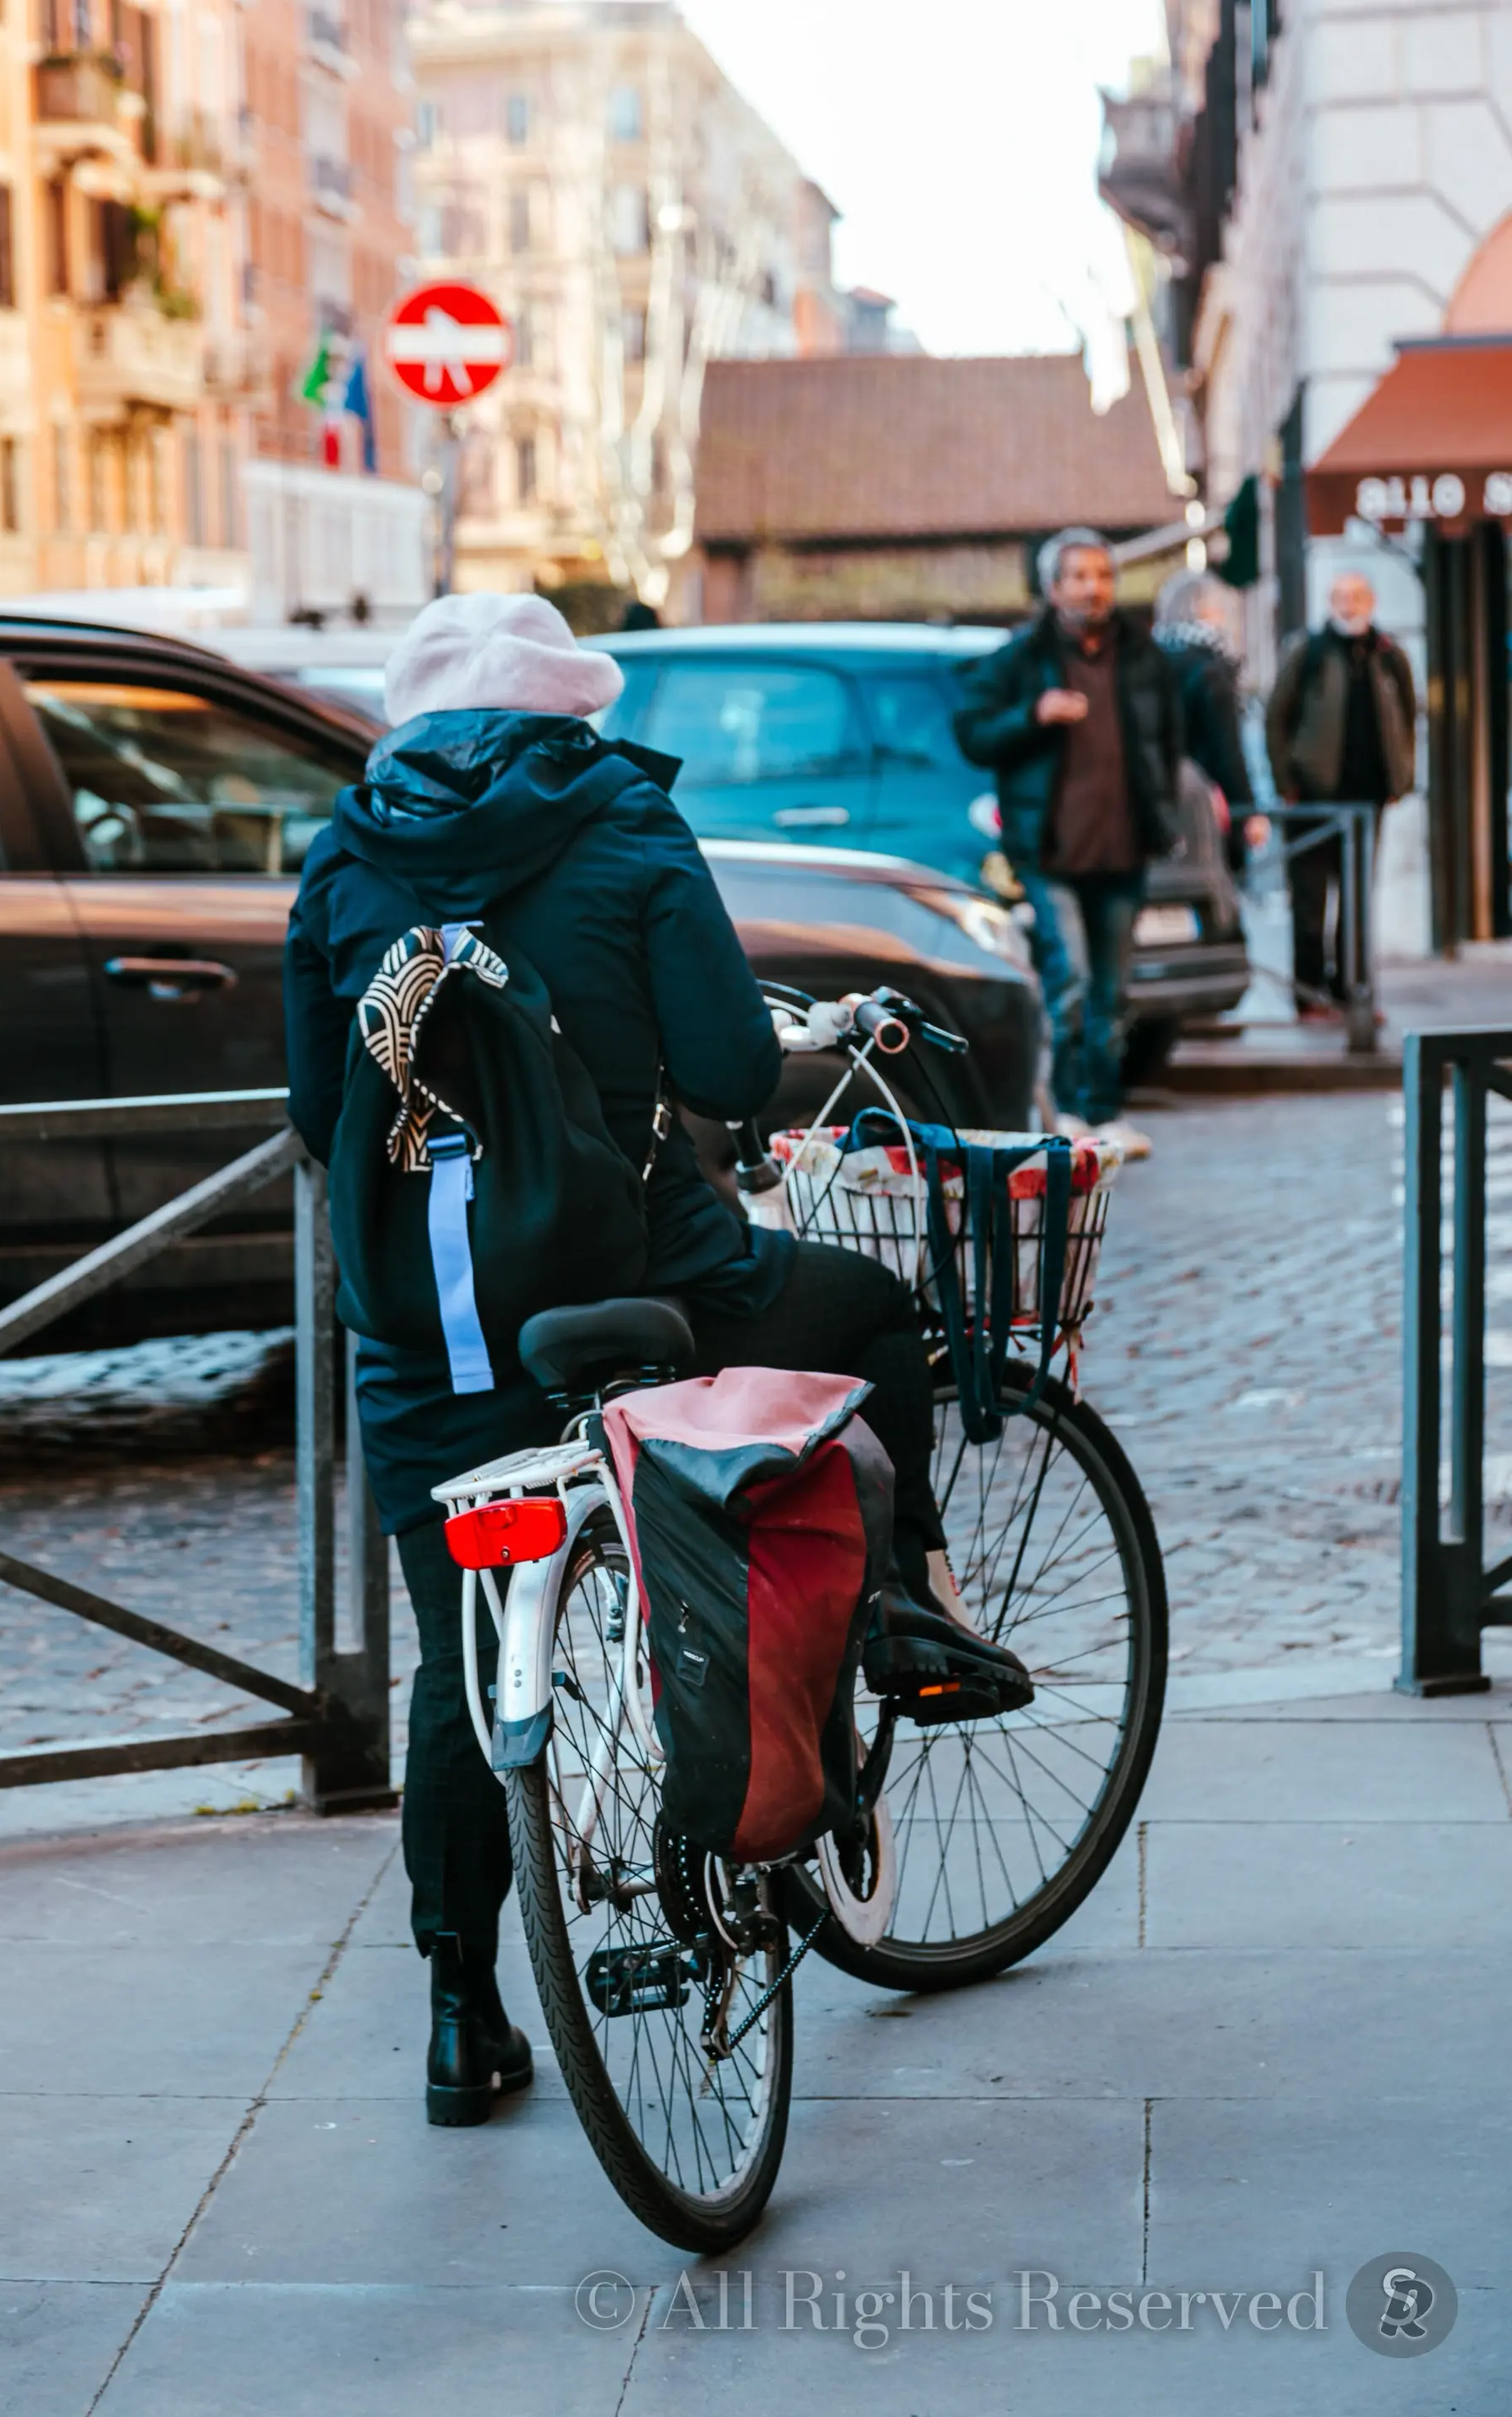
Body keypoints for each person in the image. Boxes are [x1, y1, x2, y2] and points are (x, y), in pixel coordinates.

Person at [284, 592, 1019, 2129]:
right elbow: (736, 1073)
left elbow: (312, 1105)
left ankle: (461, 2016)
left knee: (463, 1667)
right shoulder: (619, 817)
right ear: (570, 705)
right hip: (642, 1283)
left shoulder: (347, 856)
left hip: (426, 1327)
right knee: (872, 1319)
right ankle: (893, 1620)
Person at [953, 527, 1182, 1155]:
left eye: (1103, 575)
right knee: (1073, 980)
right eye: (1079, 576)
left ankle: (1103, 1113)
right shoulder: (1020, 659)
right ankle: (1067, 1113)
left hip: (1124, 849)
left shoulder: (1142, 654)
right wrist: (1034, 714)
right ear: (1054, 589)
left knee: (1113, 992)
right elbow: (971, 731)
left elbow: (1170, 739)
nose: (1093, 587)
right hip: (1050, 851)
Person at [1265, 570, 1417, 1013]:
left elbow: (1408, 718)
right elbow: (1277, 717)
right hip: (1313, 798)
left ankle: (1352, 992)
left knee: (1357, 904)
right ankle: (1307, 993)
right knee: (1311, 901)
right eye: (1339, 597)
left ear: (1370, 601)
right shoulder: (1309, 652)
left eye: (1356, 596)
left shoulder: (1388, 655)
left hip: (1367, 799)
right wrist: (1285, 782)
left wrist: (1400, 778)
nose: (1348, 604)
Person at [1153, 568, 1269, 873]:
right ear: (1206, 611)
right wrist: (1247, 810)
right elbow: (1226, 748)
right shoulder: (1210, 670)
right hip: (1208, 805)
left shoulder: (1149, 661)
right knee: (1218, 901)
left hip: (1156, 802)